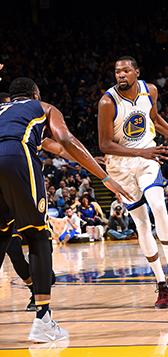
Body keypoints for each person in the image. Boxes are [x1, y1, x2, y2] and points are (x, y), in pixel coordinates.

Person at [0, 77, 133, 343]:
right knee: (38, 235)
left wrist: (85, 160)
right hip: (16, 156)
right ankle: (43, 320)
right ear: (35, 94)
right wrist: (104, 177)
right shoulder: (44, 108)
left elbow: (58, 149)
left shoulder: (6, 114)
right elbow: (65, 138)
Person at [98, 56, 168, 309]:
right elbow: (104, 145)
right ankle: (161, 284)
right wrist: (140, 153)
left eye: (126, 70)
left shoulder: (150, 91)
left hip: (147, 157)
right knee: (140, 222)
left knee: (158, 205)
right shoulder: (107, 102)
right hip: (120, 165)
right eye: (117, 71)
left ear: (136, 72)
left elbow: (156, 120)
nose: (121, 75)